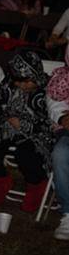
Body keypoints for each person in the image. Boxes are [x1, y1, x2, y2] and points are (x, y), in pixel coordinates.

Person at [0, 50, 55, 212]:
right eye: (19, 82)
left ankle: (36, 185)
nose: (22, 86)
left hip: (37, 134)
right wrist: (5, 120)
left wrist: (24, 125)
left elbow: (53, 124)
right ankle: (1, 179)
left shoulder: (49, 89)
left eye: (26, 82)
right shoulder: (8, 84)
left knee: (26, 153)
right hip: (8, 126)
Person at [45, 45, 69, 239]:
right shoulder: (61, 78)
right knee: (60, 154)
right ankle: (68, 213)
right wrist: (62, 117)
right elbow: (53, 103)